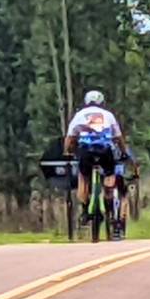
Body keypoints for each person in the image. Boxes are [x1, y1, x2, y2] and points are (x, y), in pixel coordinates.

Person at [63, 90, 127, 226]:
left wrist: (67, 151)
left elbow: (70, 137)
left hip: (86, 151)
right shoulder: (108, 115)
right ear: (102, 102)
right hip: (104, 151)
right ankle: (109, 205)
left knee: (83, 178)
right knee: (109, 176)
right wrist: (123, 152)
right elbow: (118, 137)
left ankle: (85, 211)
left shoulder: (79, 115)